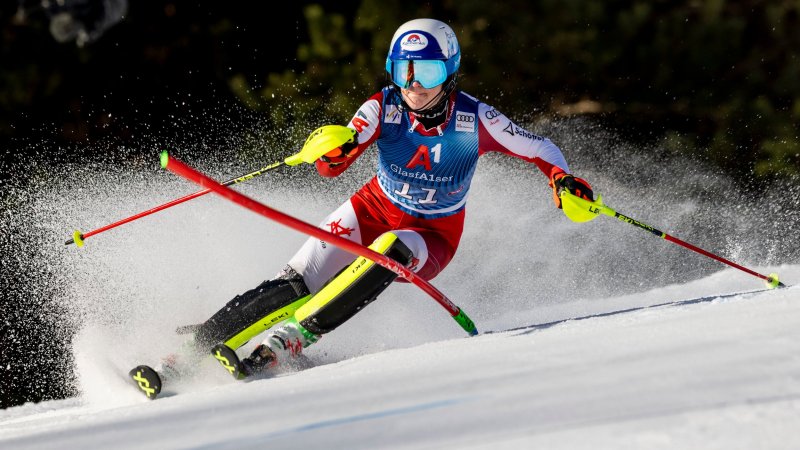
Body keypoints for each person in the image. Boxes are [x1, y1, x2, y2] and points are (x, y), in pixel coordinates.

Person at [191, 18, 594, 379]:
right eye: (405, 70)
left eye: (428, 72)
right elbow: (334, 166)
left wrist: (563, 180)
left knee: (390, 249)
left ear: (450, 72)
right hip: (372, 208)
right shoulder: (383, 106)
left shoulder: (477, 119)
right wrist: (333, 149)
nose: (414, 84)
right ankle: (193, 349)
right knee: (298, 279)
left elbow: (541, 148)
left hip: (430, 234)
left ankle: (287, 340)